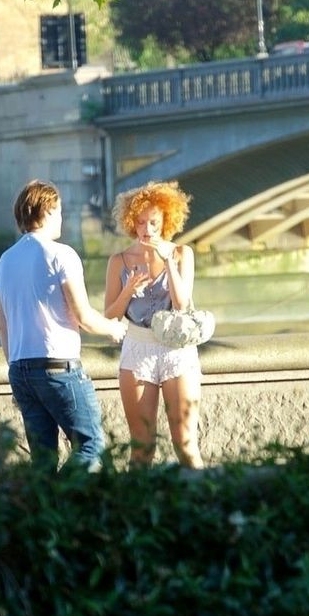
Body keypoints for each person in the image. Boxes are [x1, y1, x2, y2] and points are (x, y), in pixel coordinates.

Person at [0, 180, 129, 470]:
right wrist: (114, 328)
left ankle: (49, 497)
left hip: (20, 369)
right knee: (91, 446)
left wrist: (16, 368)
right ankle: (66, 493)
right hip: (58, 367)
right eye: (59, 211)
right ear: (48, 211)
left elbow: (2, 325)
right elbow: (83, 316)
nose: (62, 218)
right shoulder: (61, 254)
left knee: (42, 461)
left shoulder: (5, 260)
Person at [102, 181, 204, 468]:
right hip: (137, 350)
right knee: (142, 448)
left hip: (176, 351)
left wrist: (168, 263)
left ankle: (202, 494)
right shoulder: (119, 261)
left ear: (166, 222)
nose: (147, 230)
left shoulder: (183, 254)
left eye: (154, 223)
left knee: (185, 443)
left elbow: (182, 305)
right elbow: (109, 317)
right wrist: (127, 291)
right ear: (131, 222)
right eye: (140, 222)